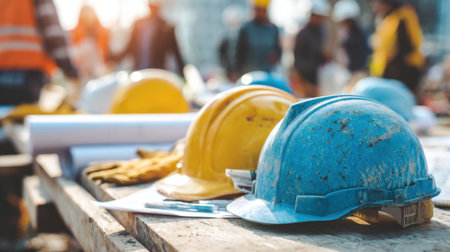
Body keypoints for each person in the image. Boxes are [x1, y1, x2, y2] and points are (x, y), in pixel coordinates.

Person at [0, 0, 79, 105]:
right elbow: (53, 34)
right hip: (28, 73)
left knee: (6, 117)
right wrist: (71, 71)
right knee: (23, 118)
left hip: (3, 72)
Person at [113, 0, 184, 76]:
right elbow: (130, 48)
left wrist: (183, 75)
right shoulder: (138, 24)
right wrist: (114, 58)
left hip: (157, 75)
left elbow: (176, 54)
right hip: (138, 73)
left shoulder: (166, 27)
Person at [370, 0, 425, 96]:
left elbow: (407, 46)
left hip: (403, 73)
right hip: (391, 73)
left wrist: (391, 66)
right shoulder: (389, 18)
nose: (374, 6)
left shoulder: (401, 17)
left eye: (377, 3)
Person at [293, 0, 330, 97]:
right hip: (305, 79)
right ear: (312, 15)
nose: (321, 20)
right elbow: (298, 59)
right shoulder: (303, 34)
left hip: (316, 76)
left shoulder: (320, 31)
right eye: (319, 17)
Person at [235, 0, 281, 76]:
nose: (260, 13)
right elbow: (238, 52)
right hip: (249, 74)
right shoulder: (246, 28)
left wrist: (276, 56)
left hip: (268, 73)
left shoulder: (273, 29)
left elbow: (277, 49)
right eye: (258, 9)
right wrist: (236, 72)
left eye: (262, 10)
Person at [71, 4, 110, 83]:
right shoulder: (76, 33)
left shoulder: (101, 31)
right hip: (82, 75)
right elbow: (74, 55)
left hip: (99, 72)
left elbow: (106, 53)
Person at [218, 5, 245, 82]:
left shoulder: (243, 35)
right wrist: (230, 73)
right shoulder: (225, 38)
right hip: (230, 75)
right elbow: (222, 57)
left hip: (240, 73)